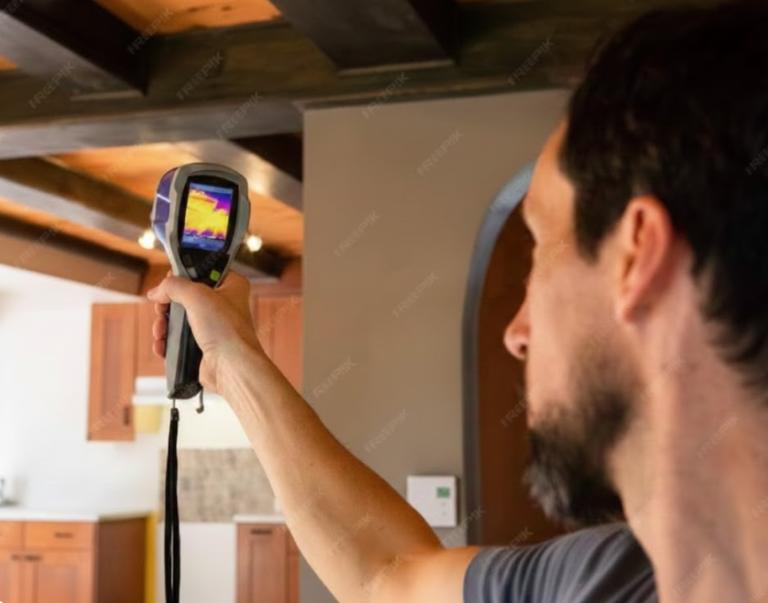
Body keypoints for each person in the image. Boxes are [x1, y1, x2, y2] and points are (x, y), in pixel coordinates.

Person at [148, 1, 768, 601]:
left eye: (540, 250)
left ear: (637, 255)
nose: (517, 333)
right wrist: (232, 361)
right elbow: (384, 575)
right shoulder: (600, 578)